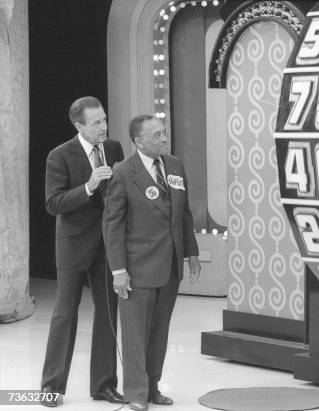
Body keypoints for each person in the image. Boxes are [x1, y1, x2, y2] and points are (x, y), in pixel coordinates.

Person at [104, 114, 201, 411]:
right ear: (138, 141)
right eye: (157, 135)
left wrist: (191, 252)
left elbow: (184, 214)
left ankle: (153, 387)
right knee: (135, 334)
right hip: (137, 268)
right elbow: (113, 225)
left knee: (159, 332)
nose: (163, 138)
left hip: (170, 265)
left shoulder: (174, 165)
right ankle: (135, 393)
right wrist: (118, 269)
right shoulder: (123, 172)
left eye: (164, 133)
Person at [41, 96, 125, 407]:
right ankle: (51, 388)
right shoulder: (59, 155)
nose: (104, 126)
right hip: (73, 245)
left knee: (108, 313)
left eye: (104, 119)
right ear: (79, 126)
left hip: (106, 244)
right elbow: (53, 203)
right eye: (96, 122)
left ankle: (103, 386)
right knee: (65, 314)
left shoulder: (113, 148)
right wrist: (89, 186)